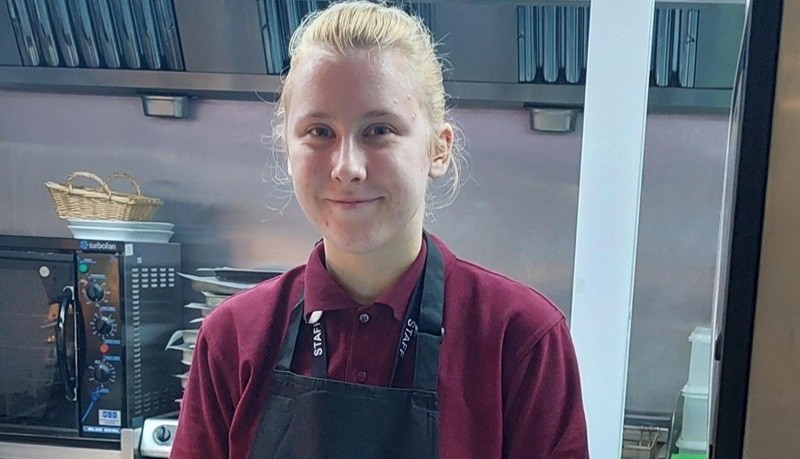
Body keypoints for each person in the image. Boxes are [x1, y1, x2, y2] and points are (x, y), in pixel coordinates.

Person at [171, 2, 589, 458]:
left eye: (379, 130)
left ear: (438, 149)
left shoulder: (521, 338)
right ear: (288, 151)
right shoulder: (233, 338)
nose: (347, 167)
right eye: (319, 132)